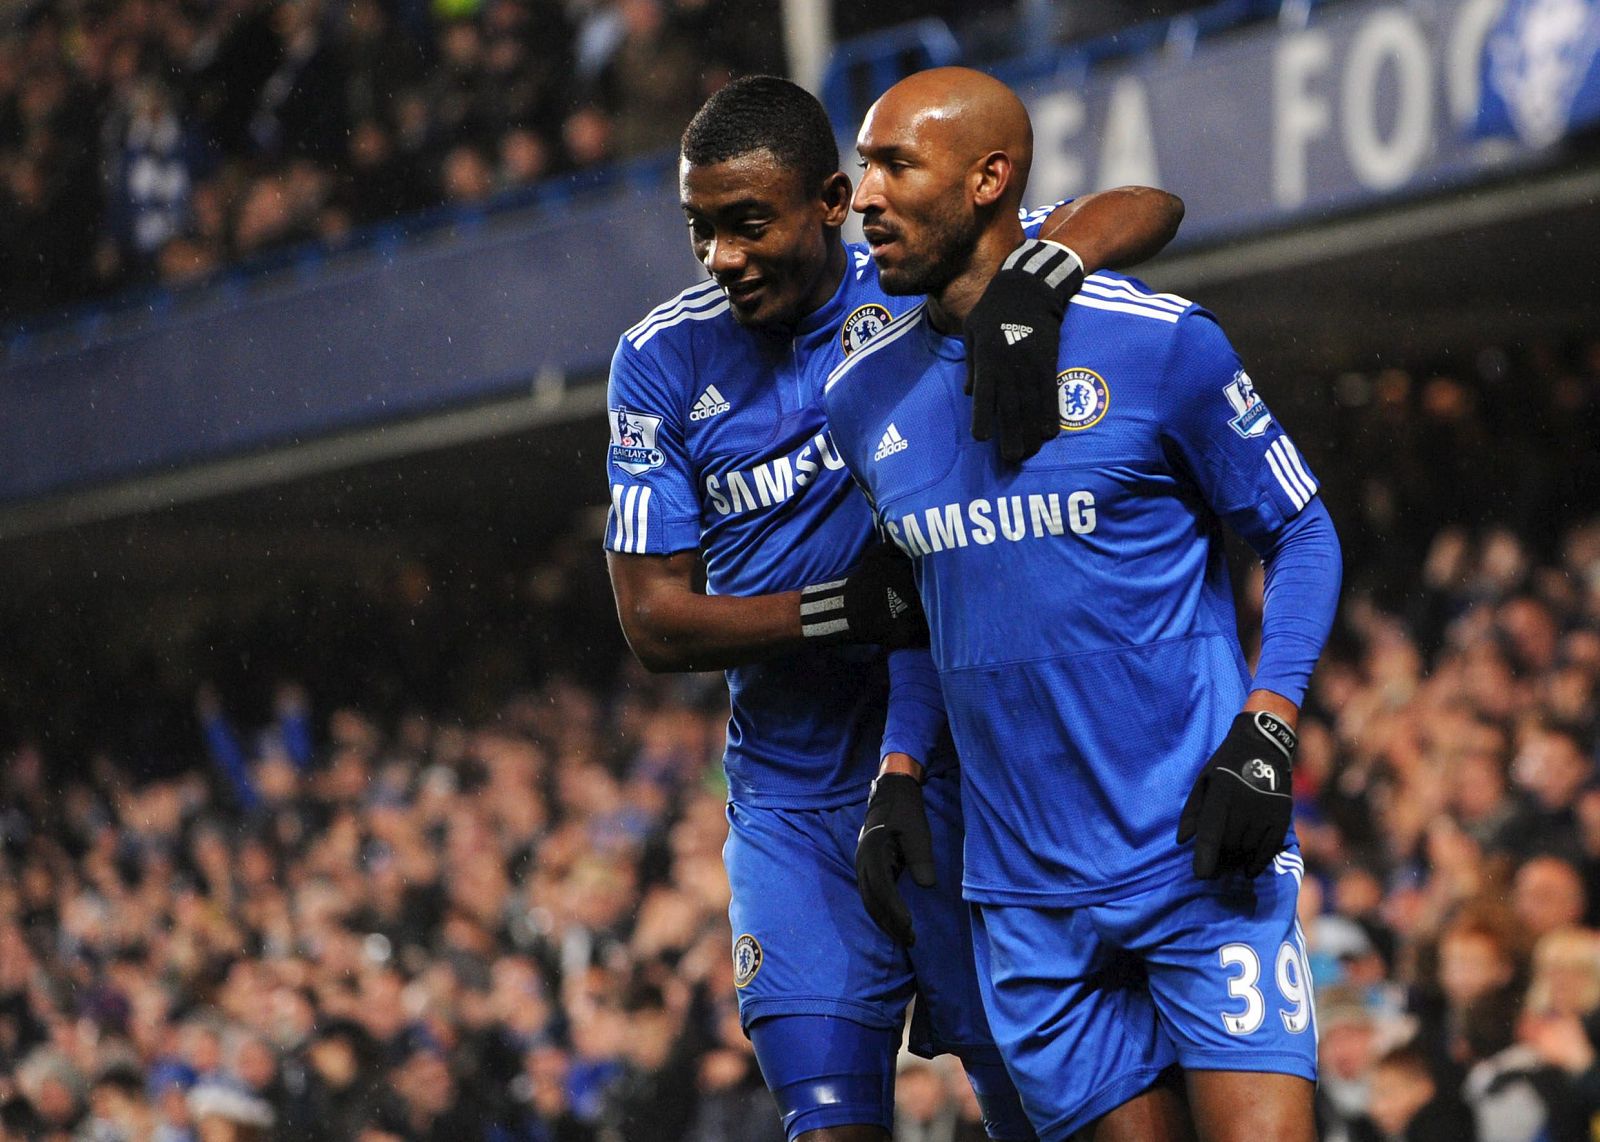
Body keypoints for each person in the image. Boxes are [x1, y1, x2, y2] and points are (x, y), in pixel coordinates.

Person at [602, 75, 1184, 1142]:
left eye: (745, 225)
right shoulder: (658, 360)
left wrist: (1039, 283)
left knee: (1031, 1106)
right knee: (828, 1125)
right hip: (787, 805)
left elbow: (1146, 204)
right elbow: (655, 620)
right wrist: (842, 610)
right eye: (699, 230)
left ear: (830, 199)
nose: (720, 257)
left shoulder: (913, 274)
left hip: (952, 776)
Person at [821, 68, 1341, 1141]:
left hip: (1198, 848)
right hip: (1027, 897)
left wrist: (1268, 725)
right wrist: (901, 764)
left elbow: (1300, 529)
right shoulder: (861, 395)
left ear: (988, 179)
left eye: (892, 163)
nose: (862, 193)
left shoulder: (1156, 342)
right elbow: (925, 603)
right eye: (862, 164)